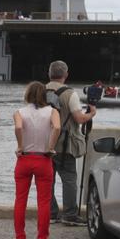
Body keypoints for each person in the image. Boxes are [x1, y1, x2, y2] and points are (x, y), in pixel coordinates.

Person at [45, 60, 97, 226]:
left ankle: (51, 214)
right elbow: (79, 118)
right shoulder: (70, 94)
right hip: (65, 144)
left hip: (45, 143)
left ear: (49, 74)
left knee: (48, 180)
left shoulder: (41, 90)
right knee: (69, 180)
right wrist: (92, 113)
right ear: (66, 75)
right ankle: (70, 215)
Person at [13, 82, 61, 239]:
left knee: (20, 200)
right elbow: (57, 126)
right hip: (43, 159)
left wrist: (20, 145)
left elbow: (19, 127)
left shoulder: (19, 112)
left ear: (27, 94)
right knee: (44, 201)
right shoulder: (52, 112)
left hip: (24, 159)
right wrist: (51, 147)